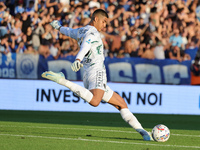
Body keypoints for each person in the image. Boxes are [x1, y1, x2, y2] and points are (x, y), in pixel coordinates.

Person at [42, 9, 153, 141]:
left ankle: (143, 132)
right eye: (104, 21)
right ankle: (62, 81)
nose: (105, 25)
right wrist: (78, 59)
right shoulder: (92, 33)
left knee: (121, 104)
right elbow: (86, 45)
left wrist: (59, 27)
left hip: (89, 74)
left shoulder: (81, 31)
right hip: (97, 72)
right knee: (95, 101)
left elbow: (69, 31)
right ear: (95, 19)